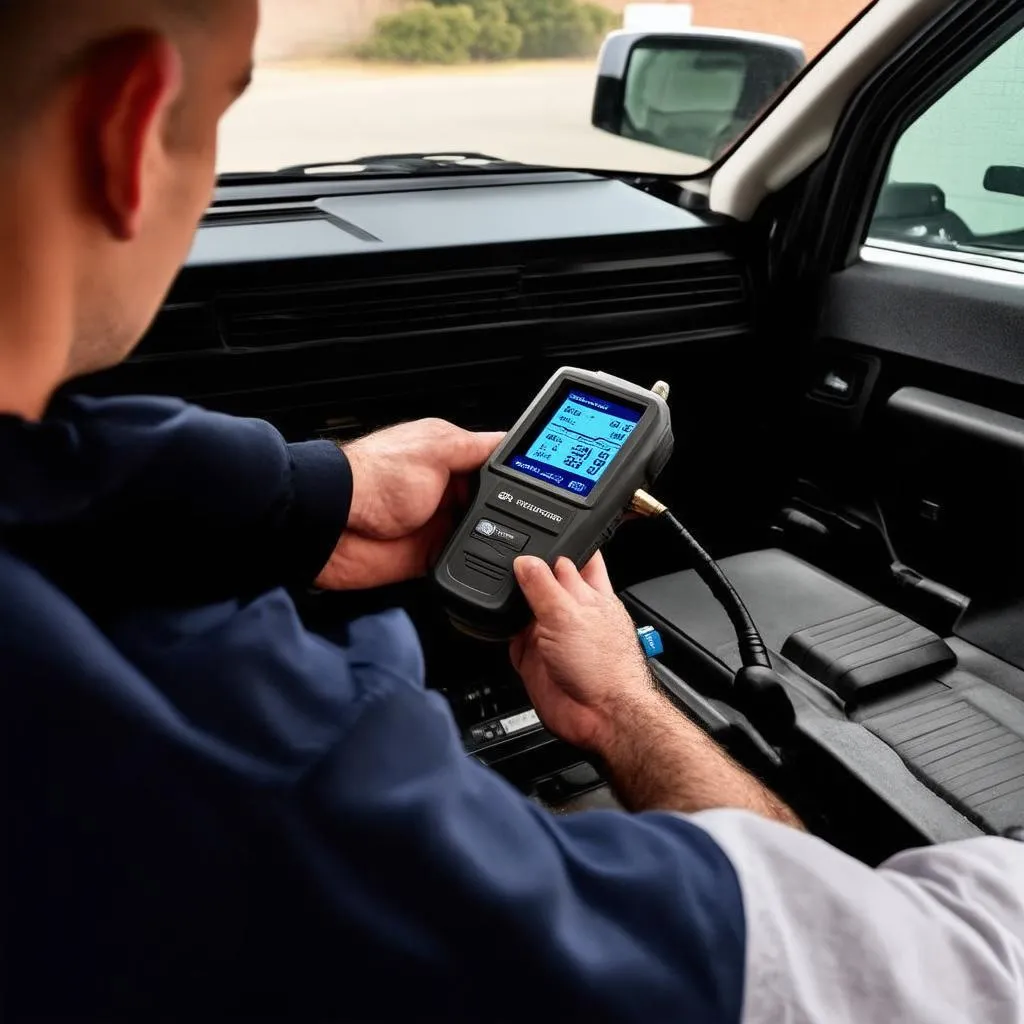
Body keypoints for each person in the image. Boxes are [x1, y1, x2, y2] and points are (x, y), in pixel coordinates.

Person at [1, 2, 1021, 1021]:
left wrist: (314, 495)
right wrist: (622, 710)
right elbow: (870, 976)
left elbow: (59, 473)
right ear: (126, 128)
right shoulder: (273, 778)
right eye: (222, 115)